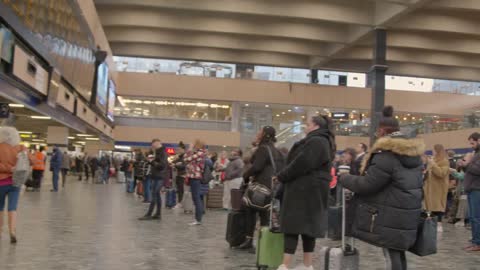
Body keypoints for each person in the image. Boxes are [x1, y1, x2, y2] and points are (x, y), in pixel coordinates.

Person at [339, 106, 424, 270]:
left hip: (390, 211)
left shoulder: (386, 156)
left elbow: (368, 184)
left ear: (382, 131)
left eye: (377, 132)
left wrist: (345, 178)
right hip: (407, 209)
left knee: (391, 253)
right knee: (398, 251)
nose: (376, 135)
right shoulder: (413, 156)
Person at [275, 116, 336, 270]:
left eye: (307, 124)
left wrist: (282, 175)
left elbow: (301, 163)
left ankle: (286, 265)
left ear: (315, 126)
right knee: (308, 229)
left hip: (302, 191)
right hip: (310, 192)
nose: (305, 127)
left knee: (292, 228)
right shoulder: (323, 141)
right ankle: (306, 265)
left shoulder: (316, 141)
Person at [238, 126, 285, 250]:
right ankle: (264, 243)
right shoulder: (276, 150)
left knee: (250, 211)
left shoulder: (263, 149)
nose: (257, 133)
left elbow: (256, 167)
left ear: (265, 134)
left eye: (260, 131)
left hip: (260, 186)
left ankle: (249, 240)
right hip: (271, 187)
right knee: (265, 215)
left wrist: (245, 175)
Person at [0, 126, 27, 243]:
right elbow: (32, 161)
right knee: (13, 208)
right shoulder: (21, 148)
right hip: (15, 182)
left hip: (1, 182)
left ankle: (0, 231)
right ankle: (12, 231)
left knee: (0, 208)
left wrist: (8, 168)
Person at [139, 139, 168, 220]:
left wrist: (152, 161)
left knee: (154, 194)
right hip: (157, 176)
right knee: (157, 195)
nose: (152, 146)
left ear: (158, 143)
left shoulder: (162, 152)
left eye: (153, 144)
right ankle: (158, 214)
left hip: (159, 176)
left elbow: (162, 165)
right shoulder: (159, 152)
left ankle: (149, 214)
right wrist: (151, 161)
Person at [424, 144, 450, 233]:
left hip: (439, 188)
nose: (433, 152)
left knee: (438, 205)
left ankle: (439, 224)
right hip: (430, 188)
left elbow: (441, 173)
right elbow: (428, 172)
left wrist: (433, 164)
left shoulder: (445, 161)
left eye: (434, 150)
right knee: (430, 206)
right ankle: (431, 222)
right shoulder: (433, 160)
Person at [184, 139, 208, 226]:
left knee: (196, 198)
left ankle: (198, 219)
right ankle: (198, 218)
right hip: (192, 177)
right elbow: (187, 160)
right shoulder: (198, 153)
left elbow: (187, 159)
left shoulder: (200, 153)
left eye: (194, 144)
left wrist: (189, 149)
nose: (192, 144)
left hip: (195, 177)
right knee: (195, 198)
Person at [463, 132, 480, 252]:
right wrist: (464, 164)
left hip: (477, 189)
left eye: (473, 143)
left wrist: (468, 163)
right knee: (472, 217)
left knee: (476, 217)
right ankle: (475, 241)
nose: (471, 145)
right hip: (471, 188)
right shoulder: (476, 154)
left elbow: (478, 170)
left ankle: (477, 243)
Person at [173, 143, 186, 209]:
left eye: (179, 149)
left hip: (183, 175)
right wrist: (175, 163)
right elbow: (173, 162)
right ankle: (180, 202)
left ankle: (180, 203)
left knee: (181, 190)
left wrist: (176, 165)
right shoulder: (179, 157)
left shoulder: (185, 157)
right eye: (178, 149)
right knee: (179, 190)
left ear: (183, 149)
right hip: (178, 174)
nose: (178, 150)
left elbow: (183, 166)